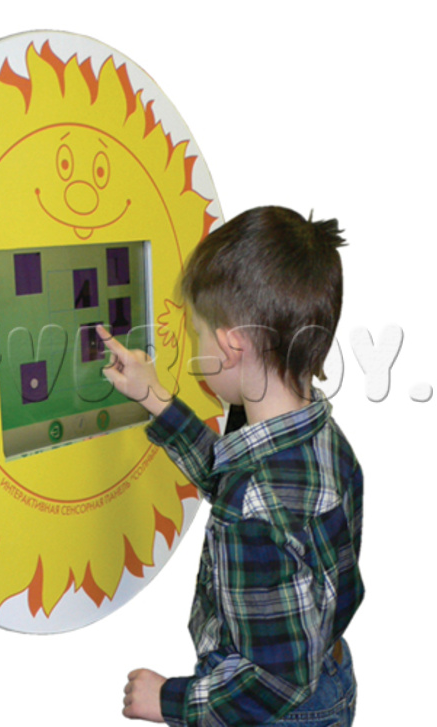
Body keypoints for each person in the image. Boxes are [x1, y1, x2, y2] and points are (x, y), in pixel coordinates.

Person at [100, 206, 364, 726]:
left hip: (276, 709)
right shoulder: (321, 441)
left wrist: (169, 700)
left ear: (229, 346)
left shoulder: (255, 508)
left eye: (197, 333)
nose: (193, 347)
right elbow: (233, 478)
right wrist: (156, 399)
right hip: (329, 675)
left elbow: (274, 683)